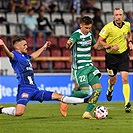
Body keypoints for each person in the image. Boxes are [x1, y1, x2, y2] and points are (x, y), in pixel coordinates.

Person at [0, 36, 92, 117]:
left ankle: (85, 100)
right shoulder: (15, 55)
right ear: (17, 47)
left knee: (59, 96)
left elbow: (33, 56)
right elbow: (9, 55)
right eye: (24, 45)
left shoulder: (26, 57)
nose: (27, 46)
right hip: (25, 89)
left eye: (26, 44)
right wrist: (3, 45)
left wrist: (43, 47)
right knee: (19, 112)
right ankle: (1, 110)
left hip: (35, 89)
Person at [60, 16, 104, 119]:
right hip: (80, 68)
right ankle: (65, 100)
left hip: (90, 66)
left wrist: (107, 46)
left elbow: (95, 46)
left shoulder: (90, 34)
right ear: (81, 25)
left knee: (98, 90)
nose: (88, 30)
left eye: (89, 28)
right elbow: (68, 45)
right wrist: (68, 44)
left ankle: (87, 113)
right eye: (86, 28)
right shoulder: (76, 35)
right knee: (85, 92)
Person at [98, 8, 133, 113]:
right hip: (111, 57)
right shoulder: (108, 27)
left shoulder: (127, 25)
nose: (118, 17)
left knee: (125, 79)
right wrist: (109, 46)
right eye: (116, 15)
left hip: (123, 55)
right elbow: (100, 41)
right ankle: (110, 88)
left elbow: (129, 34)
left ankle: (127, 104)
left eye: (120, 14)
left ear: (123, 16)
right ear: (113, 16)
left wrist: (130, 41)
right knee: (113, 80)